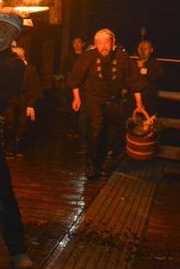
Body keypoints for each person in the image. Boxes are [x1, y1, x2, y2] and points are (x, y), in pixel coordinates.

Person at [67, 28, 146, 178]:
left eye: (106, 42)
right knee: (96, 129)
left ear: (113, 42)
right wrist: (76, 98)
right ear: (95, 44)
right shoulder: (89, 56)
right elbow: (75, 78)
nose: (103, 46)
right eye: (99, 43)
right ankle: (91, 166)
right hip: (93, 98)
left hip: (113, 99)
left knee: (111, 132)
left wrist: (139, 103)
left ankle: (103, 164)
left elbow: (134, 80)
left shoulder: (122, 57)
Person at [2, 44, 42, 157]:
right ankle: (8, 147)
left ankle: (19, 146)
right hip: (10, 100)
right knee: (9, 122)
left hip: (24, 100)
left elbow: (33, 87)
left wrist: (31, 104)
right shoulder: (7, 68)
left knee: (22, 125)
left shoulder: (30, 69)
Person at [129, 39, 164, 116]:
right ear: (137, 50)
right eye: (141, 49)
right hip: (133, 101)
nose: (143, 51)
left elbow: (157, 77)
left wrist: (144, 68)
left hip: (149, 101)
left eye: (146, 49)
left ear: (151, 50)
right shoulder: (132, 63)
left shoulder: (156, 64)